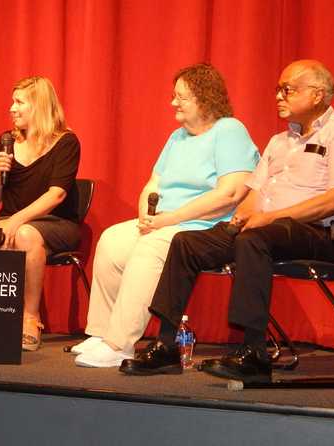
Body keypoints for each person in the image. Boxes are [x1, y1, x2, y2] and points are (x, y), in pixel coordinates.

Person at [125, 60, 334, 383]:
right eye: (277, 90)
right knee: (187, 242)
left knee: (253, 239)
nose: (279, 97)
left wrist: (267, 218)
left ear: (317, 94)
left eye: (288, 89)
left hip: (321, 233)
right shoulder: (278, 142)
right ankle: (165, 344)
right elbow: (254, 195)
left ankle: (254, 352)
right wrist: (238, 219)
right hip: (265, 229)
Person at [72, 64, 260, 368]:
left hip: (205, 228)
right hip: (165, 221)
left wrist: (167, 221)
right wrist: (146, 216)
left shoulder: (229, 130)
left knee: (153, 245)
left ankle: (119, 343)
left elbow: (230, 193)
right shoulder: (178, 137)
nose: (173, 103)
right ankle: (100, 332)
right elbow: (154, 183)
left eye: (181, 97)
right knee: (113, 239)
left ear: (203, 98)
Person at [0, 76, 81, 351]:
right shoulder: (7, 141)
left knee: (25, 234)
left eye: (19, 102)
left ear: (38, 106)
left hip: (57, 223)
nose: (11, 108)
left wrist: (16, 219)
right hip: (13, 220)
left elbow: (56, 195)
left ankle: (29, 317)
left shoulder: (66, 142)